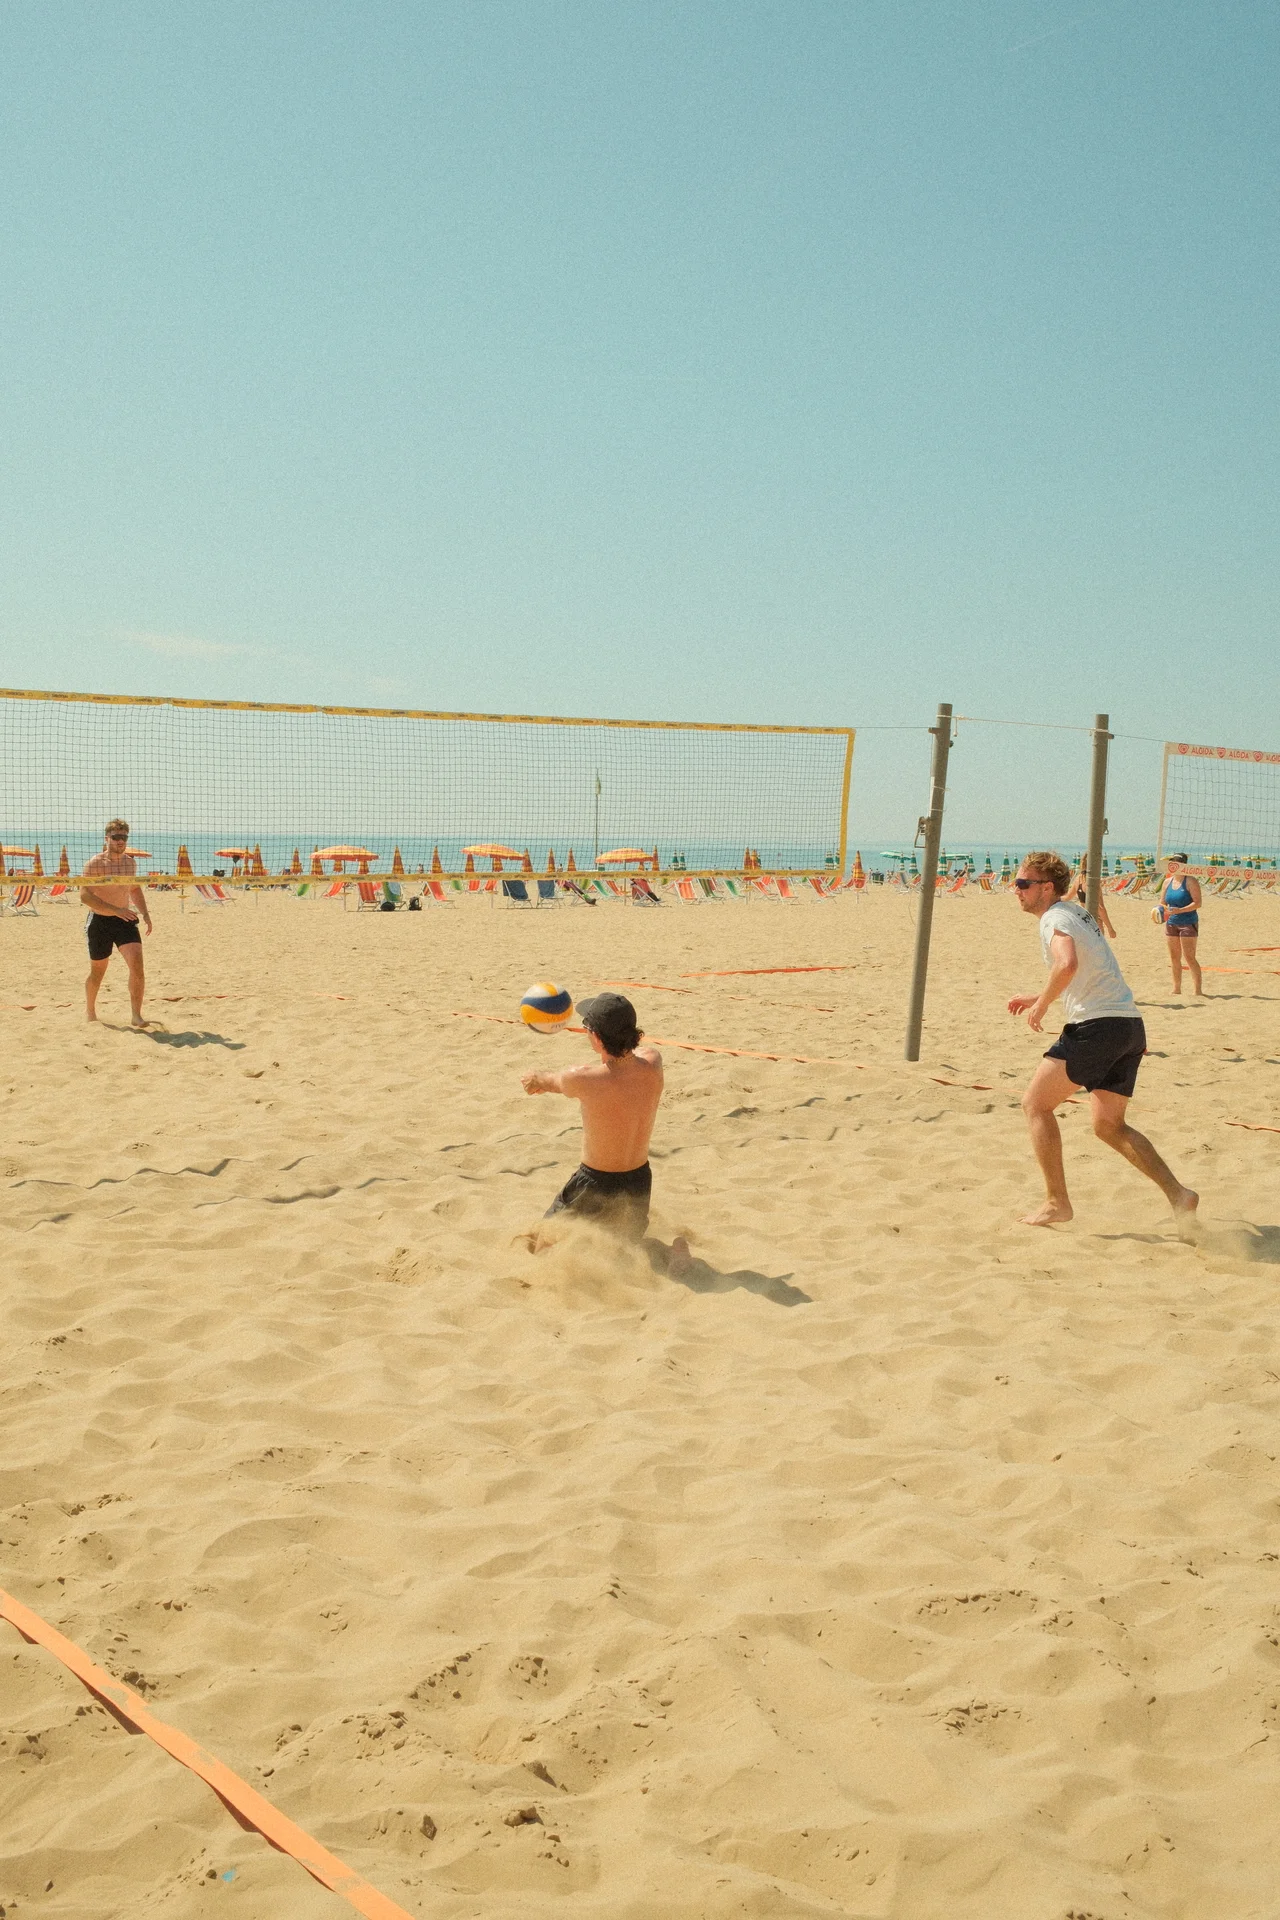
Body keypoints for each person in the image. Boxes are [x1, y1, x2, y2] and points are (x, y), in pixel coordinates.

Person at [1007, 850, 1197, 1232]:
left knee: (1035, 1105)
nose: (1017, 891)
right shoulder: (1077, 913)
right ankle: (1179, 1195)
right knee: (1108, 1125)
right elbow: (1088, 972)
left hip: (1096, 1029)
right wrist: (1040, 994)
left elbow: (1068, 965)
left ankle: (1057, 1203)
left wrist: (1042, 1006)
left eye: (1023, 884)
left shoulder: (1054, 918)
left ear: (1046, 888)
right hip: (1128, 1026)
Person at [522, 991, 665, 1241]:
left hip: (595, 1184)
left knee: (540, 1242)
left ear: (596, 1037)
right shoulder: (653, 1063)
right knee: (623, 1247)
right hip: (639, 1182)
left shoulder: (584, 1078)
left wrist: (533, 1078)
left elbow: (548, 1080)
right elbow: (635, 1056)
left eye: (587, 1027)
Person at [80, 819, 153, 1027]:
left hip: (125, 921)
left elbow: (134, 889)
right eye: (116, 837)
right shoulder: (94, 864)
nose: (120, 841)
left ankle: (136, 1015)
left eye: (124, 837)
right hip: (100, 922)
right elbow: (85, 896)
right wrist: (115, 910)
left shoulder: (130, 863)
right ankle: (90, 1011)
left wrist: (146, 914)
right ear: (107, 839)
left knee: (137, 967)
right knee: (98, 972)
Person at [1158, 853, 1203, 996]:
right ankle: (1176, 988)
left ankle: (1198, 990)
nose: (1172, 865)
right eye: (1171, 863)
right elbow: (1162, 902)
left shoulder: (1190, 881)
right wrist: (1161, 910)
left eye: (1175, 863)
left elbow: (1198, 903)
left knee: (1189, 957)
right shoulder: (1167, 882)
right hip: (1172, 922)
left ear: (1182, 865)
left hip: (1188, 922)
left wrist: (1180, 910)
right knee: (1174, 957)